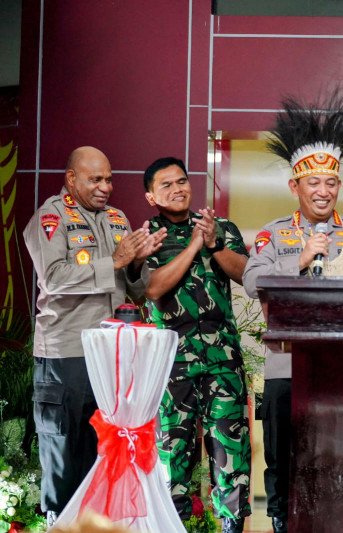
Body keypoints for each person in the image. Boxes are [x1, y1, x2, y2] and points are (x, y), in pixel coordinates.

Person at [241, 92, 343, 533]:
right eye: (313, 183)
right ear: (295, 187)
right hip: (286, 367)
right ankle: (281, 524)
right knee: (283, 459)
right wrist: (301, 260)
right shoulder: (274, 235)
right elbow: (252, 282)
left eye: (330, 183)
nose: (323, 191)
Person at [23, 146, 166, 526]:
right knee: (64, 453)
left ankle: (100, 527)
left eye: (109, 179)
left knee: (105, 454)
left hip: (111, 357)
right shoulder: (50, 218)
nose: (106, 187)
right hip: (66, 354)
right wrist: (115, 260)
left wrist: (136, 262)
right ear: (71, 179)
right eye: (96, 179)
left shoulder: (117, 219)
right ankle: (59, 524)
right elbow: (53, 277)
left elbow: (135, 289)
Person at [142, 157, 251, 533]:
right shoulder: (148, 236)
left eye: (182, 181)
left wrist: (214, 243)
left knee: (231, 456)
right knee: (173, 459)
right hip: (172, 366)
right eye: (167, 185)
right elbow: (153, 288)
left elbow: (245, 275)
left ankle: (231, 527)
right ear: (151, 196)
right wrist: (193, 246)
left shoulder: (221, 228)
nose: (178, 189)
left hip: (223, 360)